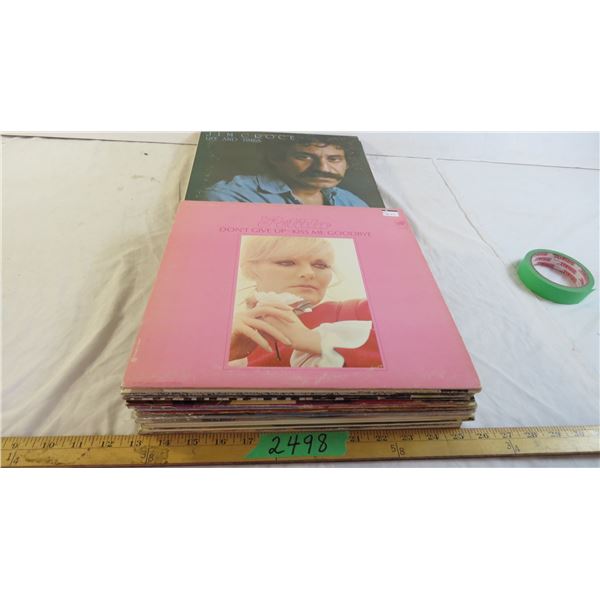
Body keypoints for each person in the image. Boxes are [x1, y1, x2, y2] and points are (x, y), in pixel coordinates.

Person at [229, 236, 383, 368]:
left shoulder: (364, 311)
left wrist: (311, 339)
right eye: (287, 262)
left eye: (320, 265)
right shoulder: (232, 335)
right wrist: (228, 355)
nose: (309, 273)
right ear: (250, 269)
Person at [203, 136, 369, 207]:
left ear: (347, 164)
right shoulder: (230, 196)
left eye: (334, 159)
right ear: (276, 158)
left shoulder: (351, 201)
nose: (322, 168)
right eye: (304, 157)